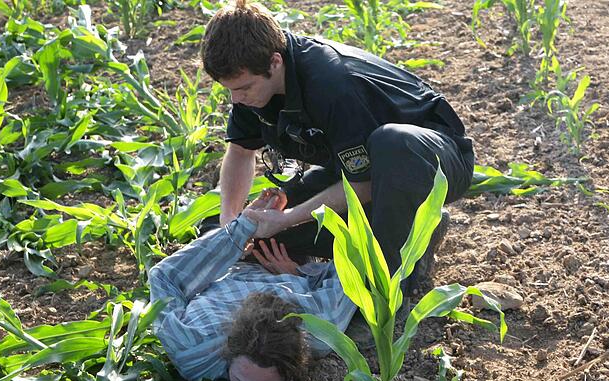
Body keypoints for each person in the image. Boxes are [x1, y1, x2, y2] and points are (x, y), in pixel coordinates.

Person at [200, 0, 474, 295]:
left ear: (275, 62)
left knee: (391, 143)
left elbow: (364, 183)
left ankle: (386, 292)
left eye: (242, 89)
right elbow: (241, 153)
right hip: (354, 173)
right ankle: (416, 230)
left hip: (430, 161)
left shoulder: (332, 85)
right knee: (222, 232)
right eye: (229, 90)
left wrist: (287, 219)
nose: (236, 100)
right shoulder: (250, 86)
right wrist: (232, 226)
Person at [148, 194, 356, 381]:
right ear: (226, 352)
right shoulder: (323, 324)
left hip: (263, 253)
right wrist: (301, 275)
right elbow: (352, 268)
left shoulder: (187, 346)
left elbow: (166, 278)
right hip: (240, 260)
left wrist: (244, 227)